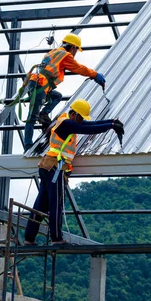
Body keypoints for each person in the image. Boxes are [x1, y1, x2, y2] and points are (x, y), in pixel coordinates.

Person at [24, 99, 124, 246]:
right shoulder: (66, 123)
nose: (82, 121)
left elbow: (90, 125)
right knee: (55, 204)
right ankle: (57, 239)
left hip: (48, 166)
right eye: (81, 117)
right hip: (55, 168)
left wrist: (112, 122)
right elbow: (88, 128)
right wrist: (110, 125)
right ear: (75, 114)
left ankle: (29, 239)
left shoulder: (67, 122)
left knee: (41, 204)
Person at [23, 33, 107, 151]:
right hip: (40, 85)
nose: (75, 53)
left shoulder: (53, 52)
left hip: (39, 84)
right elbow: (78, 68)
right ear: (73, 47)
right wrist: (94, 74)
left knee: (56, 96)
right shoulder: (65, 55)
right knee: (32, 117)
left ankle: (44, 114)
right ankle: (27, 146)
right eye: (76, 50)